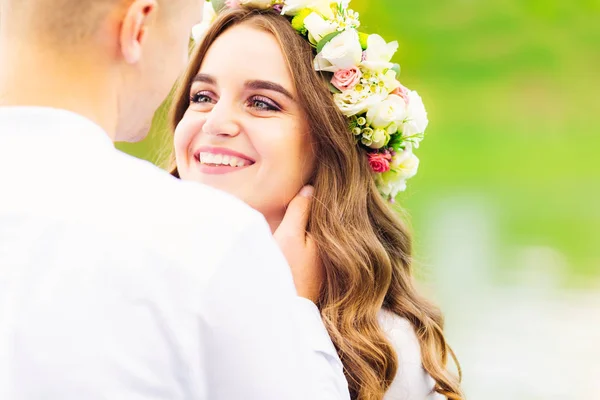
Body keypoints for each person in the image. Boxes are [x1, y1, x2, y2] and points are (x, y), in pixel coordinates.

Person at [0, 0, 350, 399]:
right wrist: (297, 309)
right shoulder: (209, 236)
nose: (214, 122)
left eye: (262, 103)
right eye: (185, 34)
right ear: (138, 26)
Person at [170, 1, 463, 399]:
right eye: (202, 96)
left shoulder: (382, 348)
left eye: (262, 103)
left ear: (328, 142)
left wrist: (290, 313)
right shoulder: (130, 280)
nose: (215, 123)